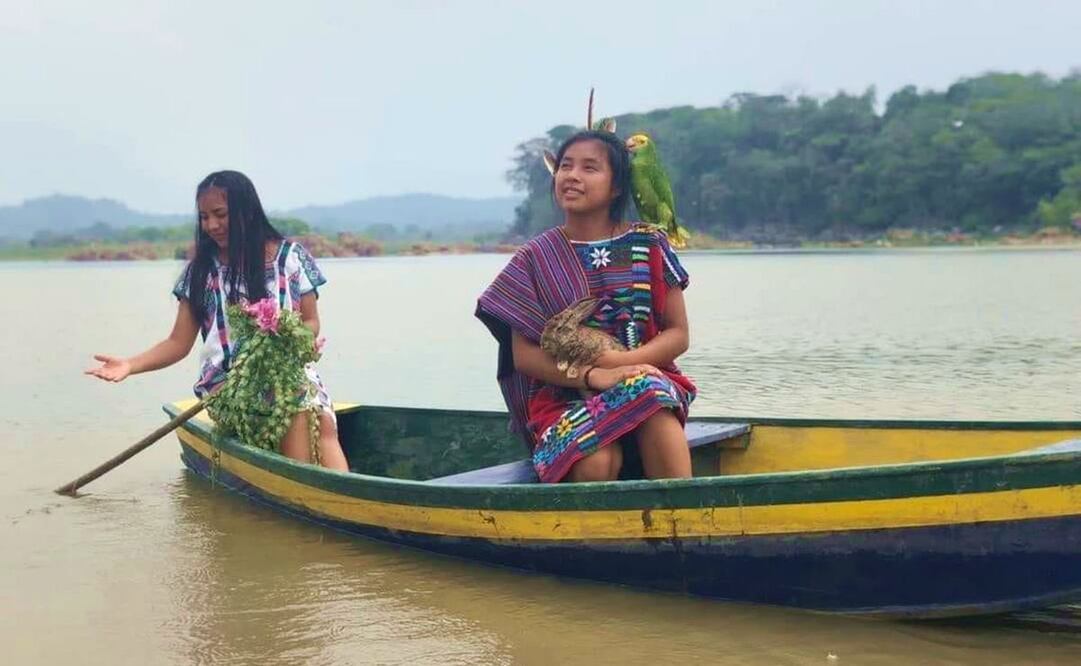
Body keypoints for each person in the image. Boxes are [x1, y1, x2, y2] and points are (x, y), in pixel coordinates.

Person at [85, 170, 349, 471]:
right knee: (296, 414)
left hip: (288, 371)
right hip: (230, 383)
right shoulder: (201, 273)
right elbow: (177, 343)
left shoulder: (291, 258)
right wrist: (130, 365)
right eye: (204, 217)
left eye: (220, 214)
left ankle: (345, 495)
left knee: (324, 421)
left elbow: (312, 322)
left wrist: (285, 332)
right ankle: (311, 498)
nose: (211, 225)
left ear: (245, 212)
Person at [477, 130, 696, 483]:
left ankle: (681, 522)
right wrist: (596, 376)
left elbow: (678, 334)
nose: (572, 176)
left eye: (590, 168)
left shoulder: (650, 243)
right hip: (563, 396)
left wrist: (625, 366)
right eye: (566, 166)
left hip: (647, 380)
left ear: (617, 186)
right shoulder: (534, 258)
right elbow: (525, 357)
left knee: (651, 399)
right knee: (596, 459)